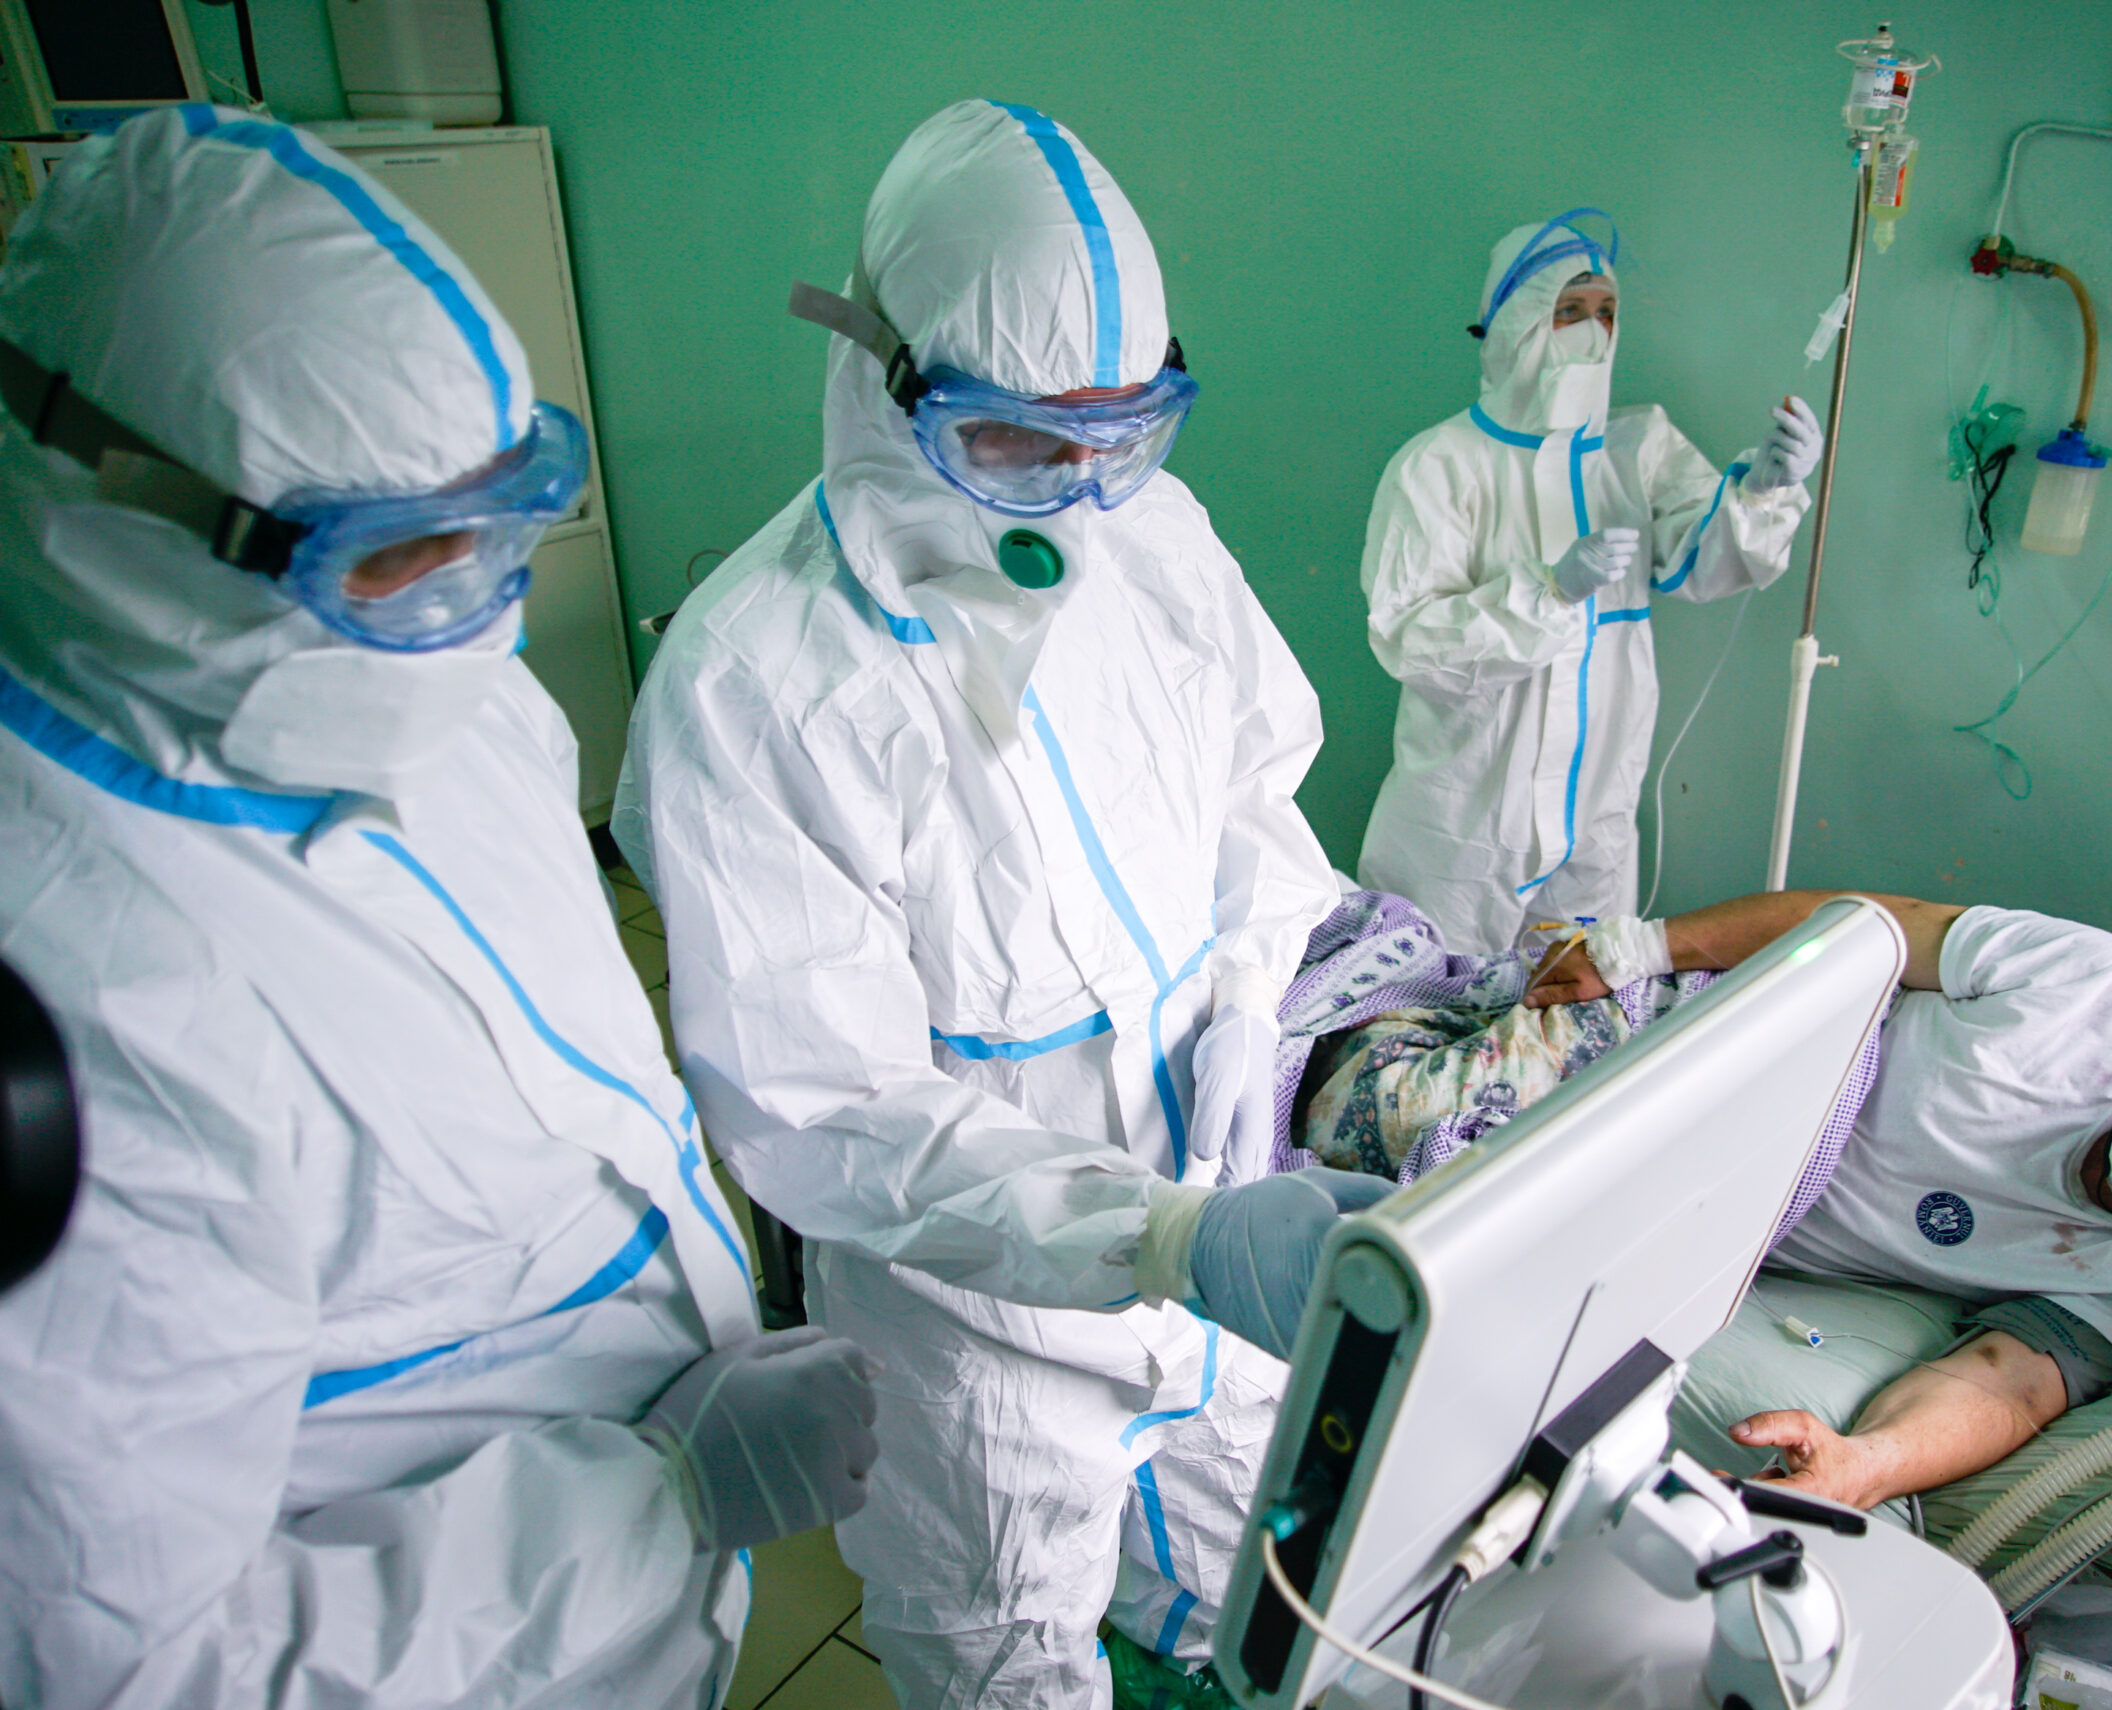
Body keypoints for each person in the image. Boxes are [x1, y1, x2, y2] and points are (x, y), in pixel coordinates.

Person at [0, 110, 878, 1710]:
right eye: (406, 557)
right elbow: (130, 1675)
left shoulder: (441, 694)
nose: (488, 611)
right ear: (122, 514)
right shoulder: (67, 1003)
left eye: (508, 529)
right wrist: (652, 1503)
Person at [616, 100, 1376, 1707]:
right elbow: (827, 1102)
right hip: (977, 1333)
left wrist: (1247, 996)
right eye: (1024, 440)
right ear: (881, 379)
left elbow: (1257, 791)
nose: (1084, 489)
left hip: (1216, 1231)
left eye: (1131, 428)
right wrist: (1151, 1231)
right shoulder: (759, 677)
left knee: (1297, 1600)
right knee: (1005, 1664)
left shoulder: (1155, 544)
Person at [1489, 892, 2112, 1510]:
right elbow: (1863, 930)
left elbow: (2006, 1384)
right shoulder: (2109, 993)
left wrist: (1872, 1464)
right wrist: (1643, 945)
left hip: (1682, 1193)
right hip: (1681, 1038)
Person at [1355, 211, 1823, 954]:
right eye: (1568, 311)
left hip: (1597, 813)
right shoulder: (1438, 466)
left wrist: (1762, 492)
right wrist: (1548, 590)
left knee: (1579, 998)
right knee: (1427, 998)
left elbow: (1703, 564)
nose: (1593, 333)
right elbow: (1412, 641)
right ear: (1513, 323)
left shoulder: (1639, 449)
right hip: (1466, 823)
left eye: (1607, 313)